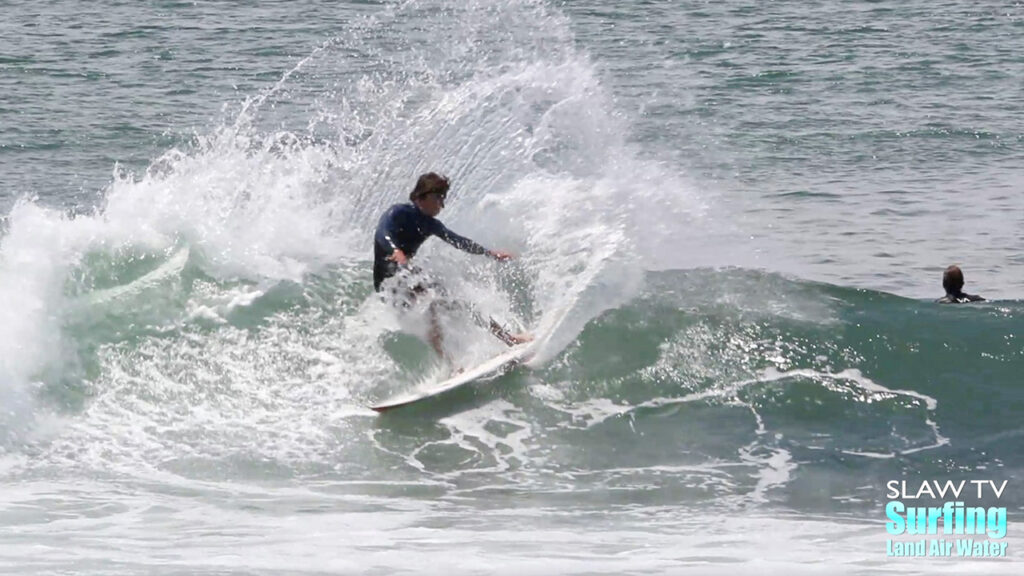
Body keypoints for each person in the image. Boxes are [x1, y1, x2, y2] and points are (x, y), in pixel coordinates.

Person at [373, 172, 531, 362]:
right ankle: (449, 363)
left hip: (409, 274)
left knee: (461, 303)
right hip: (388, 281)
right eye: (438, 197)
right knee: (430, 307)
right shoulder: (398, 212)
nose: (442, 204)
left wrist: (490, 253)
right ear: (421, 196)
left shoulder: (431, 224)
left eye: (443, 198)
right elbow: (382, 233)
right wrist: (395, 250)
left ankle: (508, 338)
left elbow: (458, 241)